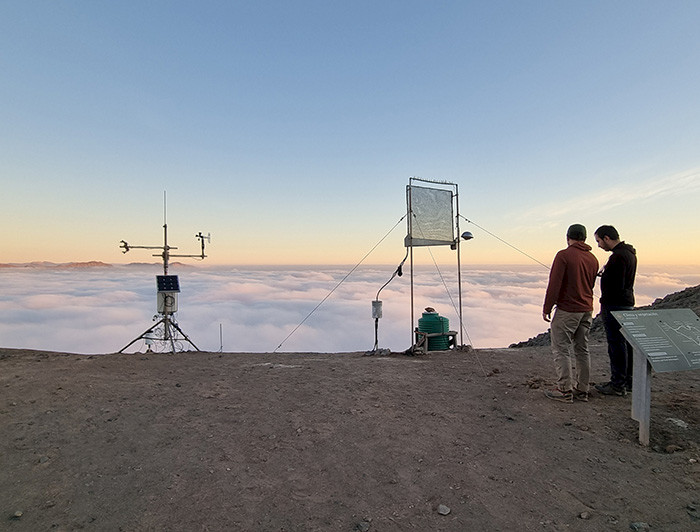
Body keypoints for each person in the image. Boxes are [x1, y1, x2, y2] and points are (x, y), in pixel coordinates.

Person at [542, 224, 599, 403]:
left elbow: (554, 284)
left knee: (561, 349)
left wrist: (547, 307)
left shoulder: (564, 255)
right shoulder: (592, 258)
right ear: (584, 237)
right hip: (587, 308)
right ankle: (583, 389)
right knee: (582, 349)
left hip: (568, 309)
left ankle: (564, 390)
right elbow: (590, 285)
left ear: (568, 237)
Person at [593, 225, 637, 396]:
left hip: (615, 305)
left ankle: (617, 384)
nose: (598, 245)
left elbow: (615, 285)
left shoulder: (618, 257)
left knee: (616, 345)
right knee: (625, 344)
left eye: (598, 241)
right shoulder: (629, 254)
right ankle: (629, 381)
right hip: (626, 303)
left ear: (607, 238)